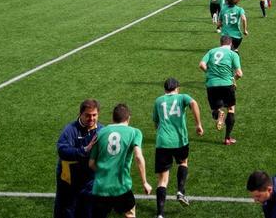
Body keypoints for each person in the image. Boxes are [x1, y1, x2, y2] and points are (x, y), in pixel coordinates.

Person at [153, 78, 204, 218]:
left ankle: (160, 214)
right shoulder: (183, 97)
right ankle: (181, 191)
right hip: (180, 140)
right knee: (183, 162)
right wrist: (198, 124)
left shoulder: (158, 101)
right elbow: (193, 103)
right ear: (177, 88)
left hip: (162, 142)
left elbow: (156, 123)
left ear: (165, 89)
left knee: (162, 180)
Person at [89, 103, 152, 218]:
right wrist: (145, 182)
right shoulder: (135, 132)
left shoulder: (100, 133)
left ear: (113, 118)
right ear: (128, 118)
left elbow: (91, 163)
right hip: (121, 187)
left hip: (100, 188)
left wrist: (103, 173)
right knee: (129, 214)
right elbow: (138, 156)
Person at [54, 99, 103, 218]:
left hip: (90, 183)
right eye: (88, 115)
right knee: (67, 213)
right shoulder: (70, 130)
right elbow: (63, 151)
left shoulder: (102, 130)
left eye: (94, 115)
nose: (91, 118)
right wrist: (85, 150)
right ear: (80, 114)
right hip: (69, 183)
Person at [199, 35, 243, 145]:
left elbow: (201, 64)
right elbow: (239, 74)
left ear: (220, 43)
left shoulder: (212, 51)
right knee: (231, 109)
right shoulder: (233, 54)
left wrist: (209, 73)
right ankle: (227, 138)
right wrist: (233, 79)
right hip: (227, 84)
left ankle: (219, 113)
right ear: (231, 44)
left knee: (215, 110)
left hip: (212, 85)